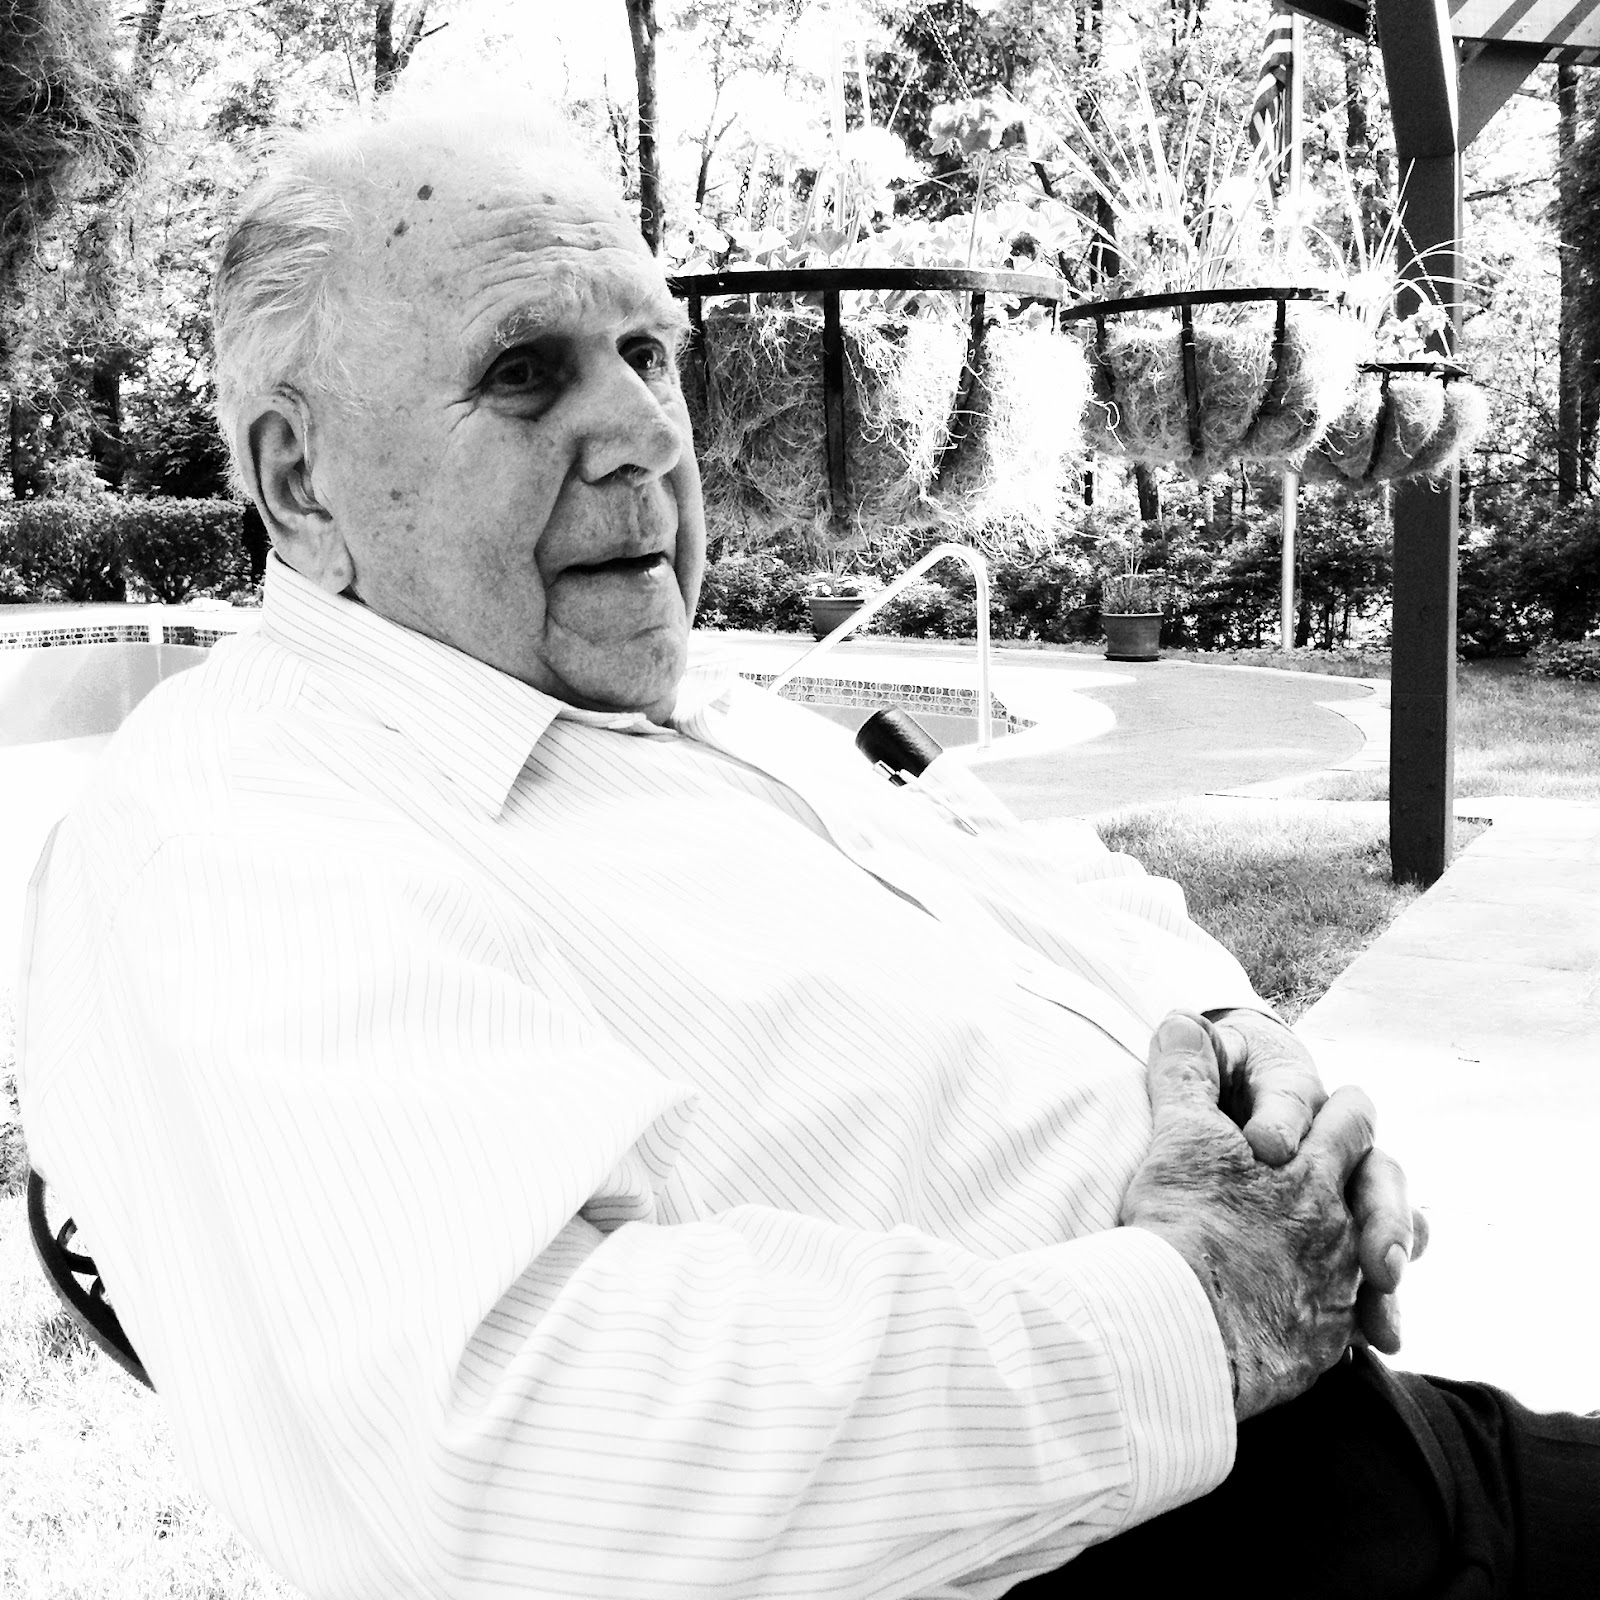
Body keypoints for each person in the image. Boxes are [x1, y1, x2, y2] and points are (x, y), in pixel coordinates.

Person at [16, 104, 1599, 1600]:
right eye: (524, 373)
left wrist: (1249, 1063)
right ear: (298, 480)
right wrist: (1202, 1309)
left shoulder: (685, 710)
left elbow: (1058, 894)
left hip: (1381, 1450)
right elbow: (508, 1454)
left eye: (647, 352)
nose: (644, 429)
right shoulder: (230, 829)